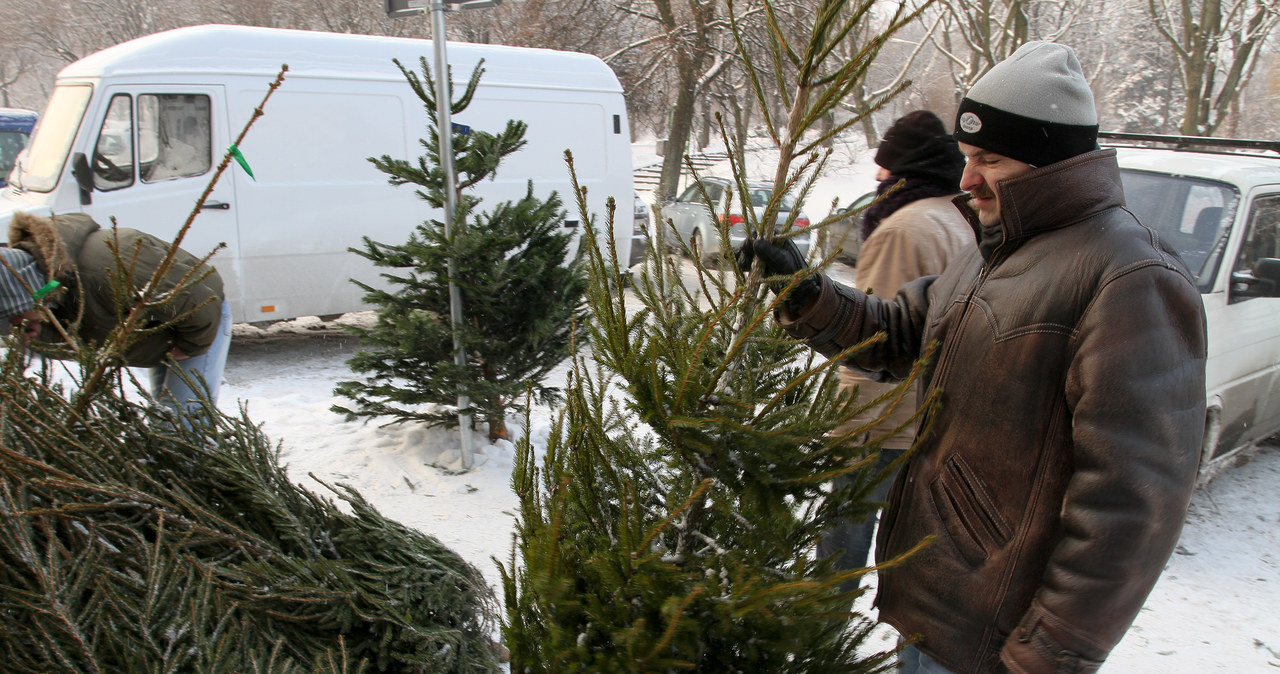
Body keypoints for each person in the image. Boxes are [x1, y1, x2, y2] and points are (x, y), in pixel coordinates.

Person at [740, 42, 1207, 673]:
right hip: (940, 601)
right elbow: (903, 332)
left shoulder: (1129, 277)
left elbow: (1132, 505)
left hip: (998, 636)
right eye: (966, 158)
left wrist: (1048, 654)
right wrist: (809, 295)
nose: (967, 179)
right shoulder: (995, 247)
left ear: (1052, 164)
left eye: (990, 159)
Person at [819, 110, 971, 594]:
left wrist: (849, 424)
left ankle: (820, 644)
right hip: (934, 419)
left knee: (841, 548)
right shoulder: (960, 218)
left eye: (885, 167)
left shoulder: (902, 231)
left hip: (879, 424)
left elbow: (872, 342)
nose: (876, 176)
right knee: (914, 561)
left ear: (908, 173)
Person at [1, 211, 231, 415]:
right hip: (156, 336)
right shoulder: (45, 300)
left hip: (198, 320)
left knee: (182, 423)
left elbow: (199, 298)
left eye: (12, 318)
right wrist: (38, 333)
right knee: (164, 416)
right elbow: (77, 339)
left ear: (26, 298)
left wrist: (190, 347)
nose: (12, 327)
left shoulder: (104, 268)